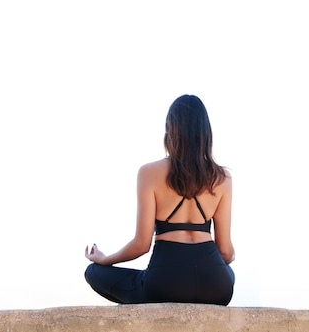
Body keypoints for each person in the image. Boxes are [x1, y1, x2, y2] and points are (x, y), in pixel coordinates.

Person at [84, 94, 235, 305]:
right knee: (228, 272)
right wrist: (221, 263)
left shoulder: (149, 173)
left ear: (170, 129)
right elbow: (225, 252)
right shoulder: (222, 178)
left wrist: (103, 259)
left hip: (165, 283)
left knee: (93, 272)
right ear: (205, 132)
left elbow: (141, 244)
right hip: (215, 286)